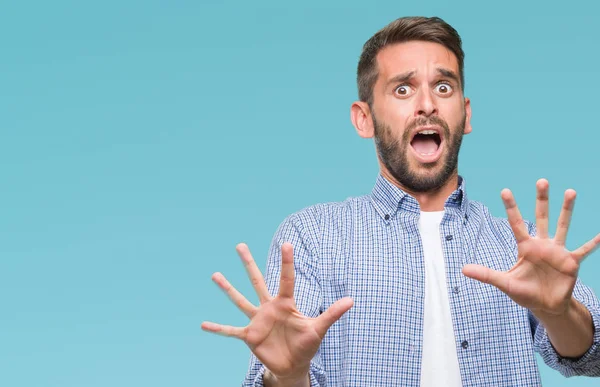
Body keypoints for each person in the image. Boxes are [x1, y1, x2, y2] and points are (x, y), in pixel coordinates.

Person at [201, 16, 600, 386]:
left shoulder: (521, 247)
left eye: (443, 87)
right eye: (403, 89)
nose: (427, 104)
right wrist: (287, 373)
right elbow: (280, 371)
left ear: (465, 113)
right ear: (365, 118)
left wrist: (558, 312)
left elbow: (593, 356)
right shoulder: (312, 237)